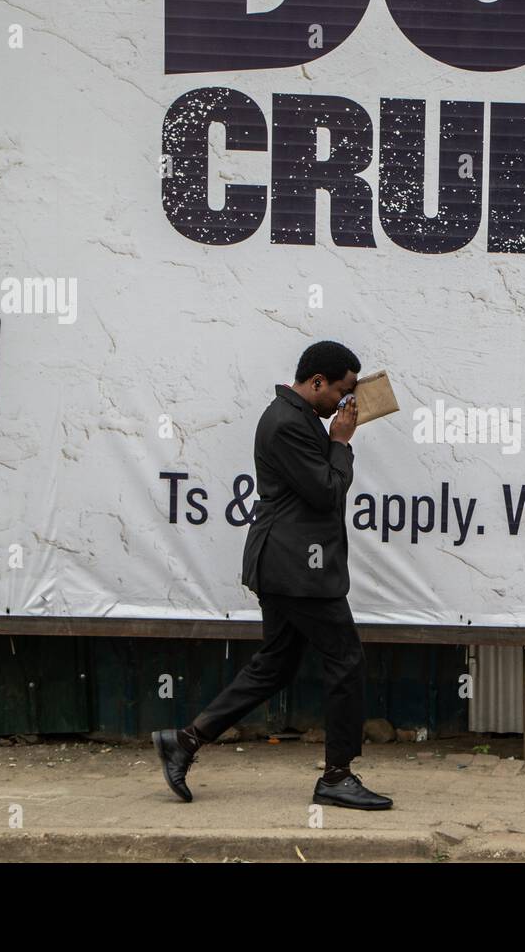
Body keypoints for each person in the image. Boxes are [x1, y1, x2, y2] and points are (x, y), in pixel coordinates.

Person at [152, 341, 392, 810]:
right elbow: (325, 493)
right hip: (297, 568)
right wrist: (341, 442)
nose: (345, 404)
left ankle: (184, 742)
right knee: (345, 660)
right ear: (316, 382)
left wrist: (334, 440)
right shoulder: (286, 423)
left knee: (275, 665)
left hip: (288, 565)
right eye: (342, 393)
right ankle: (337, 777)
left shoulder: (298, 418)